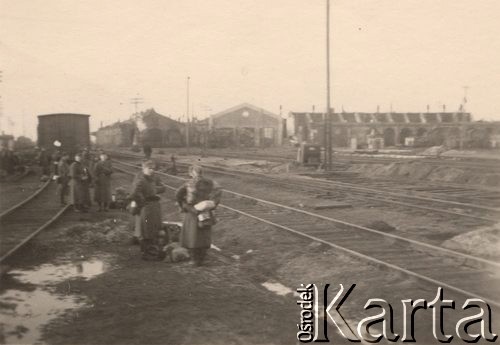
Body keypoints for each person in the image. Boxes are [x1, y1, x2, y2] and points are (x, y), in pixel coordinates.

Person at [175, 165, 222, 266]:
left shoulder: (189, 183)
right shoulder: (210, 182)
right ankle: (202, 258)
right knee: (204, 235)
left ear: (192, 173)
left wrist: (182, 205)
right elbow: (219, 191)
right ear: (202, 172)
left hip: (192, 211)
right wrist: (213, 204)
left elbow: (178, 194)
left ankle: (194, 260)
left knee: (192, 236)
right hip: (205, 211)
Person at [130, 160, 166, 260]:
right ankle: (145, 252)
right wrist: (142, 202)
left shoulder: (155, 177)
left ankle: (151, 250)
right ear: (143, 168)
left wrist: (156, 189)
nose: (151, 170)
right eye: (149, 168)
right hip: (146, 207)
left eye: (153, 169)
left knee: (154, 228)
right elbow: (134, 193)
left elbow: (163, 187)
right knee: (145, 229)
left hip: (155, 206)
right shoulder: (140, 179)